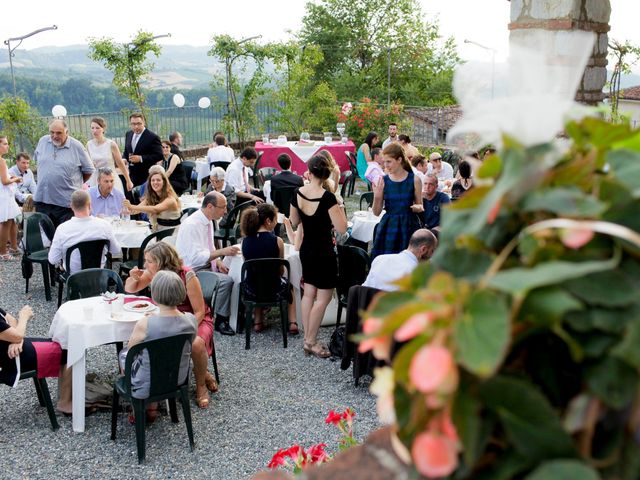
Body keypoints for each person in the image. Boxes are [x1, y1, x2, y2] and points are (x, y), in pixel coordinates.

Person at [124, 248, 215, 408]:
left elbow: (199, 310)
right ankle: (167, 379)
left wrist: (187, 329)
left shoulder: (187, 274)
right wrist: (132, 278)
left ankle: (201, 384)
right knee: (157, 341)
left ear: (161, 261)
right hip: (167, 316)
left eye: (149, 261)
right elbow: (131, 289)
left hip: (193, 319)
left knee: (195, 343)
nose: (145, 264)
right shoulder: (153, 272)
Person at [290, 155, 348, 358]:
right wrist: (341, 207)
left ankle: (309, 335)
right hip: (324, 250)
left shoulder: (298, 192)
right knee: (322, 298)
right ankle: (310, 341)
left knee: (309, 293)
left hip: (307, 248)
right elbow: (342, 228)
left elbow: (294, 220)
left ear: (310, 171)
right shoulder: (328, 198)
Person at [122, 270, 197, 412]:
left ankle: (138, 407)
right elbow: (190, 342)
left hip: (146, 384)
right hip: (177, 380)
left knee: (124, 355)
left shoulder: (145, 323)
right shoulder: (191, 320)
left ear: (155, 294)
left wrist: (151, 318)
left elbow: (132, 349)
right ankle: (153, 406)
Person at [175, 191, 239, 336]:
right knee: (227, 281)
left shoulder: (207, 220)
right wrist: (221, 252)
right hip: (191, 272)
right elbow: (195, 258)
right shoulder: (192, 224)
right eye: (223, 207)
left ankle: (235, 314)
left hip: (204, 265)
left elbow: (209, 247)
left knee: (231, 271)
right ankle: (221, 320)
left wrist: (217, 261)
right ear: (210, 206)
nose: (226, 210)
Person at [240, 203, 298, 334]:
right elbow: (281, 270)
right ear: (268, 221)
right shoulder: (277, 241)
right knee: (290, 286)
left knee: (256, 278)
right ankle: (292, 322)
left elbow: (247, 266)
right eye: (275, 220)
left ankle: (258, 322)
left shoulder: (245, 241)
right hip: (274, 288)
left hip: (252, 290)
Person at [33, 119, 95, 229]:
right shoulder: (43, 141)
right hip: (43, 200)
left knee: (65, 236)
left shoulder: (76, 146)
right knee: (48, 236)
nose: (54, 136)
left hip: (65, 203)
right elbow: (38, 162)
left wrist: (73, 183)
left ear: (67, 132)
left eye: (59, 133)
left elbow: (88, 170)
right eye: (52, 132)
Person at [371, 143, 424, 258]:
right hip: (389, 226)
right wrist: (377, 196)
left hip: (409, 226)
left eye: (389, 161)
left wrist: (416, 208)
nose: (385, 165)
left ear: (399, 159)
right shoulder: (383, 181)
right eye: (384, 162)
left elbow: (421, 206)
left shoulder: (415, 180)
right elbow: (376, 212)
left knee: (408, 262)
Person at [48, 190, 120, 273]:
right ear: (90, 205)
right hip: (98, 273)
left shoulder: (62, 229)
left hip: (73, 277)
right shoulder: (105, 225)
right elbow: (116, 250)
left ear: (71, 206)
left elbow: (52, 259)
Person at [0, 305, 64, 399]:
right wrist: (23, 317)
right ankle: (67, 403)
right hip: (10, 360)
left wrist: (16, 339)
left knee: (61, 345)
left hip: (13, 349)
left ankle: (68, 397)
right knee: (67, 352)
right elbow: (16, 334)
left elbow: (12, 320)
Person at [364, 229, 437, 291]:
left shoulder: (379, 259)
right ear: (423, 249)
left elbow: (363, 290)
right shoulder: (417, 275)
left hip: (366, 305)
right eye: (432, 251)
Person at [87, 117, 133, 193]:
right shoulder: (89, 144)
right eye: (92, 128)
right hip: (96, 179)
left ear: (103, 129)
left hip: (110, 178)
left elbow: (120, 163)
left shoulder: (111, 144)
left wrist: (128, 180)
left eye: (97, 128)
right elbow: (88, 163)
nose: (94, 131)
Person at [123, 113, 164, 187]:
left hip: (146, 176)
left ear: (144, 122)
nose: (136, 126)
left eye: (139, 124)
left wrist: (141, 158)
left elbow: (159, 155)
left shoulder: (152, 137)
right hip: (131, 175)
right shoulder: (128, 134)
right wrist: (124, 159)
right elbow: (126, 151)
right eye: (133, 124)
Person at [0, 136, 21, 260]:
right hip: (4, 195)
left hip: (6, 194)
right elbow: (4, 181)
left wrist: (9, 176)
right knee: (6, 222)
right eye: (5, 144)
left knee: (12, 220)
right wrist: (16, 179)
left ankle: (14, 246)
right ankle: (3, 252)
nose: (7, 146)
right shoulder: (1, 161)